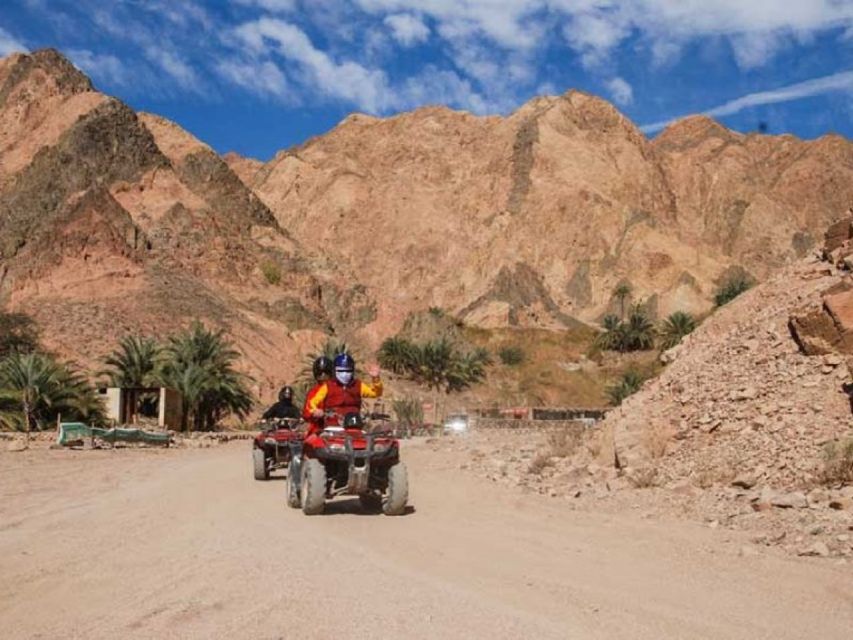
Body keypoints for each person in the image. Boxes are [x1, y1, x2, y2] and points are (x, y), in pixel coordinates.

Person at [303, 353, 382, 430]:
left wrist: (376, 379)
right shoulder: (327, 387)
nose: (345, 374)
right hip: (333, 427)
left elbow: (375, 393)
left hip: (355, 426)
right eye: (341, 370)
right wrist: (315, 411)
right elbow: (311, 403)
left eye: (348, 370)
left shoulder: (358, 385)